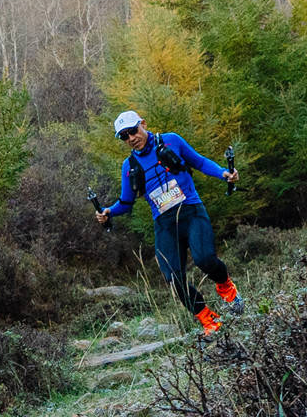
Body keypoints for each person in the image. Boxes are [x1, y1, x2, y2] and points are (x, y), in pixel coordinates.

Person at [95, 110, 241, 335]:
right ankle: (207, 319)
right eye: (124, 136)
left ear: (143, 124)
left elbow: (199, 162)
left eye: (133, 131)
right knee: (173, 277)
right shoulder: (129, 166)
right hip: (164, 223)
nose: (131, 138)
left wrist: (224, 173)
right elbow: (126, 202)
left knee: (205, 259)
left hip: (191, 210)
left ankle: (226, 288)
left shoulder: (172, 140)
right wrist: (108, 212)